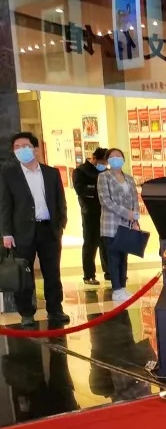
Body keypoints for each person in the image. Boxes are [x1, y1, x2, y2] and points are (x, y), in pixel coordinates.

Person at [0, 132, 69, 327]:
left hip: (49, 229)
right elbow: (4, 205)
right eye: (17, 147)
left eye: (25, 146)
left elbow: (60, 201)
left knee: (52, 273)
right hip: (22, 232)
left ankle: (55, 310)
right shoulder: (9, 175)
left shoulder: (51, 173)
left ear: (36, 149)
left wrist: (61, 224)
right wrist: (6, 233)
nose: (21, 150)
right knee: (24, 274)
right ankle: (26, 313)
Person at [97, 148, 141, 303]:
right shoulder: (104, 177)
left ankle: (122, 287)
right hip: (111, 224)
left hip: (127, 224)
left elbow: (135, 199)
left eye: (118, 156)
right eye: (112, 156)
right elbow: (105, 200)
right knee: (114, 257)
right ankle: (116, 289)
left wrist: (135, 218)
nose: (116, 158)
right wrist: (126, 213)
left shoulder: (129, 178)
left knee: (123, 257)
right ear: (108, 160)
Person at [72, 146, 109, 286]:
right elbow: (81, 190)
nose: (104, 165)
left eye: (106, 163)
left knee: (106, 243)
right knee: (90, 244)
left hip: (106, 212)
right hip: (90, 212)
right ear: (94, 158)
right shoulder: (80, 171)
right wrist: (98, 190)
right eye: (102, 162)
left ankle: (109, 272)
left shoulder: (106, 172)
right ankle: (89, 275)